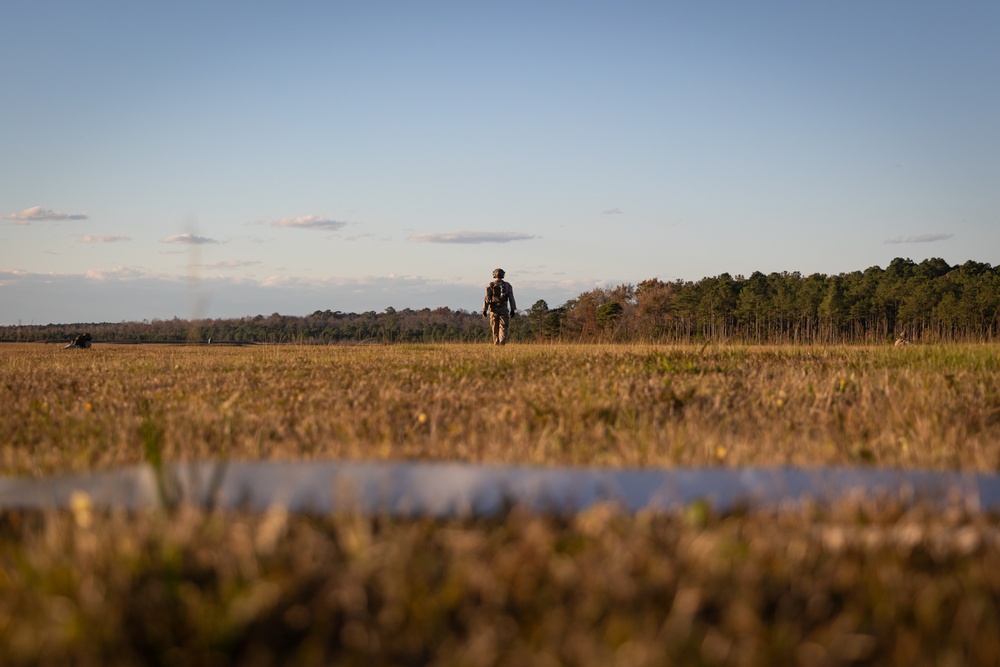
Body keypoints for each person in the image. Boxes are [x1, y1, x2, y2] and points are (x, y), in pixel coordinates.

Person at [482, 268, 517, 345]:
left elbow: (487, 298)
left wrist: (484, 310)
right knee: (503, 327)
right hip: (503, 308)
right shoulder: (507, 285)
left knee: (494, 327)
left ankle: (496, 343)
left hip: (493, 309)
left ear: (494, 275)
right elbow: (511, 298)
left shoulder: (490, 285)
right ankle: (502, 343)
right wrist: (513, 309)